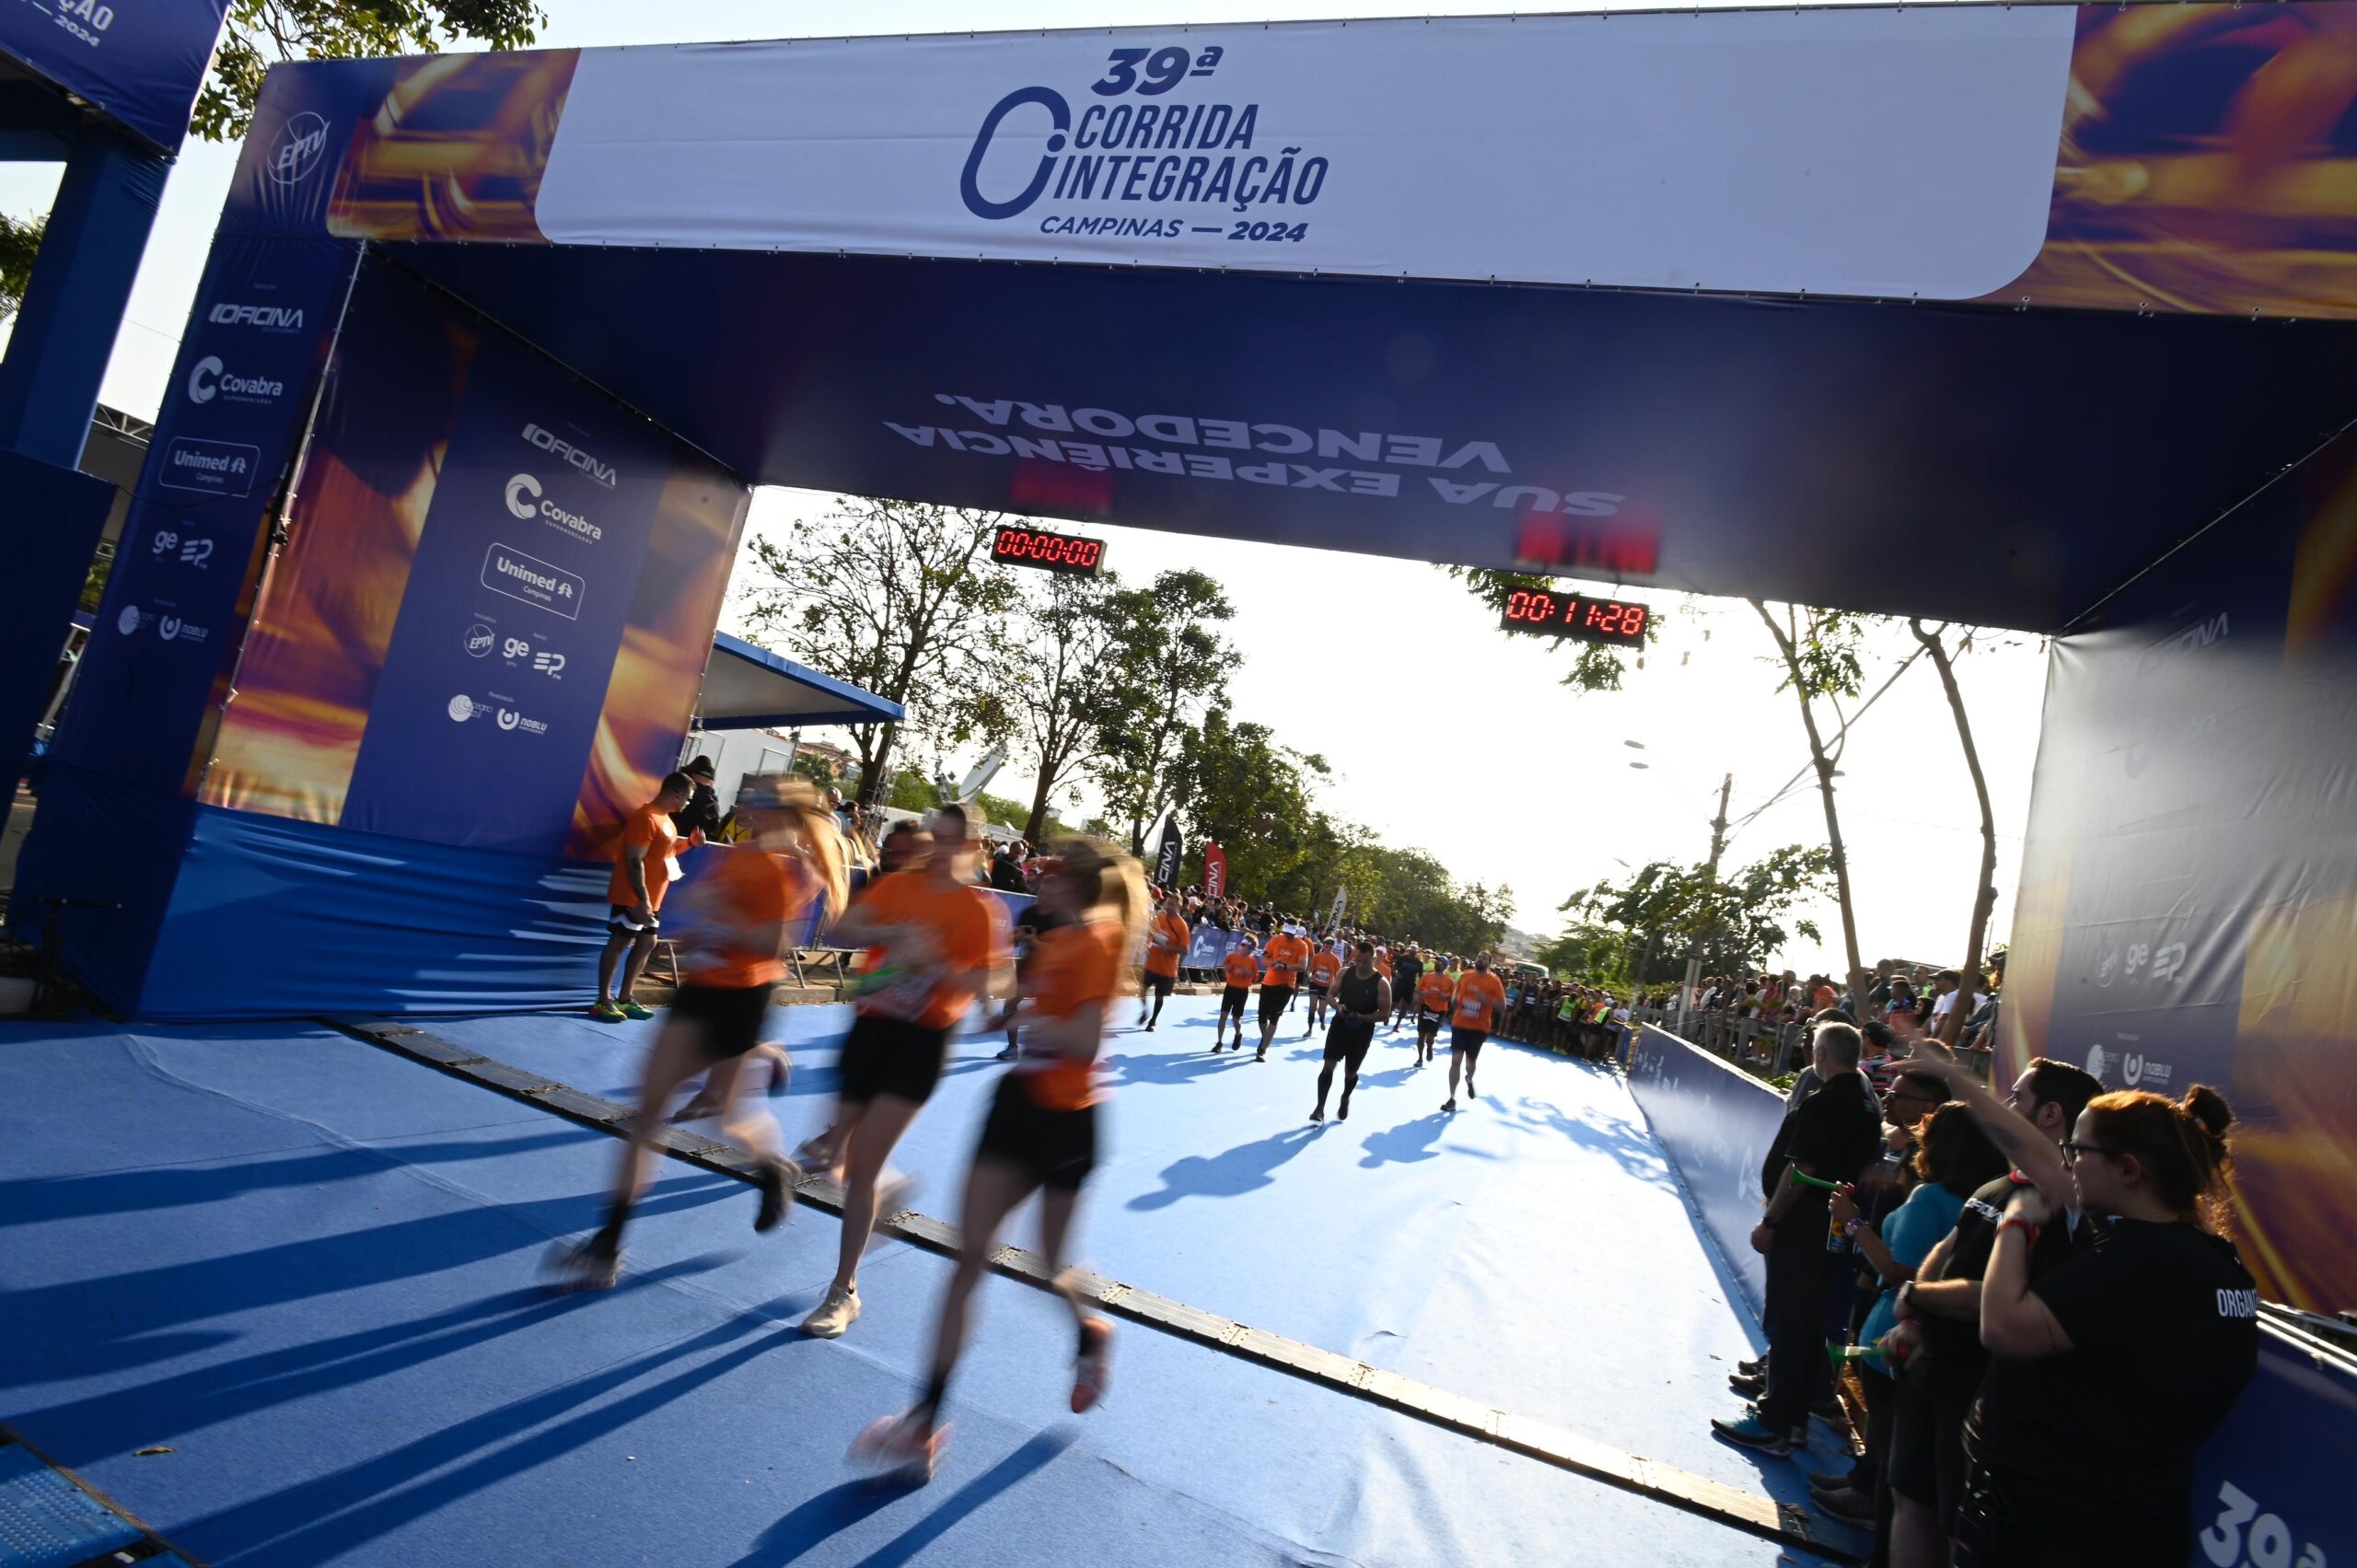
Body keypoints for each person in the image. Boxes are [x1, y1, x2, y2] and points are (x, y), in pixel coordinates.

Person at [851, 840, 1143, 1482]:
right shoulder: (1053, 941)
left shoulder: (1102, 941)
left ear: (1080, 886)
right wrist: (946, 975)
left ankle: (1090, 1329)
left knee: (1046, 1263)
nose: (1043, 881)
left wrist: (1034, 1014)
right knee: (967, 1262)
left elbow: (1083, 1039)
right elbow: (998, 1020)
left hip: (1067, 1119)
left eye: (1056, 875)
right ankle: (923, 1423)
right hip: (1014, 1106)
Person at [550, 777, 846, 1288]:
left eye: (759, 800)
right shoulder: (741, 855)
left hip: (742, 999)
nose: (747, 805)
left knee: (729, 1118)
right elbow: (715, 919)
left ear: (781, 813)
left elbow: (772, 945)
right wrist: (702, 931)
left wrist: (723, 916)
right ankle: (606, 1248)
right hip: (702, 989)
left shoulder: (786, 872)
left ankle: (773, 1165)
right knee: (648, 1114)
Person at [1947, 1085, 2258, 1566]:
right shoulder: (2212, 1258)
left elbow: (2004, 1326)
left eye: (2077, 1151)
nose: (2066, 1165)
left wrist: (2015, 1224)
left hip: (2062, 1523)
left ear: (2129, 1169)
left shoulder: (2140, 1263)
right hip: (2121, 1519)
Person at [798, 804, 1012, 1340]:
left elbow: (997, 984)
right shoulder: (901, 886)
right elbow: (843, 926)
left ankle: (842, 1291)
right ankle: (884, 1192)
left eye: (951, 839)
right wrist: (896, 934)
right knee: (835, 1155)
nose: (939, 847)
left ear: (972, 846)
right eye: (934, 836)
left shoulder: (979, 910)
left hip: (922, 1040)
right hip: (871, 1027)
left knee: (863, 1163)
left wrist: (938, 962)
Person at [1880, 1053, 2101, 1565]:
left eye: (2016, 1097)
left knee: (1956, 1527)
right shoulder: (2001, 1183)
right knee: (1908, 1501)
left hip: (1980, 1393)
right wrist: (1912, 1321)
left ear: (2049, 1114)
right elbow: (1951, 1246)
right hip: (1927, 1368)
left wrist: (1916, 1297)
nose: (2004, 1106)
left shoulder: (2064, 1205)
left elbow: (1998, 1297)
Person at [1713, 1021, 1885, 1456]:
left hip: (1805, 1227)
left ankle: (1774, 1421)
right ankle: (1791, 1419)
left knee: (1791, 1321)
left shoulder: (1827, 1101)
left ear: (1822, 1054)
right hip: (1832, 1228)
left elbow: (1802, 1170)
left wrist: (1770, 1222)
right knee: (1807, 1323)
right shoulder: (1867, 1104)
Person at [592, 772, 700, 1022]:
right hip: (633, 895)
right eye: (689, 798)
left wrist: (691, 844)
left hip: (654, 898)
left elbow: (666, 854)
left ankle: (625, 998)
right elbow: (634, 860)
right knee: (620, 942)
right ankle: (602, 1000)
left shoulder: (668, 822)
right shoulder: (645, 817)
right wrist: (641, 899)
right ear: (677, 794)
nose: (688, 803)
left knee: (647, 943)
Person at [1306, 937, 1390, 1123]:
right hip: (1340, 1024)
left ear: (1373, 959)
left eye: (1365, 962)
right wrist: (1338, 1007)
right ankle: (1319, 1108)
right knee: (1328, 1067)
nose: (1360, 964)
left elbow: (1385, 1014)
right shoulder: (1345, 972)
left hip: (1362, 1031)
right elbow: (1330, 994)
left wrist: (1362, 1018)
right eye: (1357, 960)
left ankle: (1345, 1097)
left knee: (1350, 1072)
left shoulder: (1381, 983)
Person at [1442, 953, 1505, 1111]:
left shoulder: (1494, 981)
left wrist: (1485, 999)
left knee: (1470, 1063)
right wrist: (1454, 1001)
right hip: (1460, 1023)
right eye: (1478, 957)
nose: (1480, 959)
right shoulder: (1465, 976)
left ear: (1489, 963)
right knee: (1456, 1060)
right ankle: (1452, 1098)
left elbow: (1502, 1007)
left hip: (1479, 1028)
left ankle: (1469, 1078)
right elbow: (1456, 995)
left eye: (1484, 958)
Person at [1253, 922, 1311, 1062]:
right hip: (1269, 982)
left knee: (1274, 1017)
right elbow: (1264, 959)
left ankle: (1262, 1050)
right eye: (1287, 932)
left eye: (1291, 933)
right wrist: (1274, 962)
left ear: (1296, 932)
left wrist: (1285, 966)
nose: (1288, 936)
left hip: (1286, 986)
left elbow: (1303, 966)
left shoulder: (1302, 945)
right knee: (1262, 1017)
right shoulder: (1275, 940)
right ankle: (1265, 1038)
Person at [1134, 892, 1190, 1031]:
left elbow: (1185, 949)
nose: (1169, 907)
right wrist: (1147, 945)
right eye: (1168, 903)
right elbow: (1150, 935)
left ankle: (1153, 1021)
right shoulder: (1159, 918)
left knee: (1159, 996)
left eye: (1173, 904)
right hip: (1152, 963)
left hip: (1167, 968)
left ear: (1179, 907)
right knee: (1142, 989)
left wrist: (1169, 948)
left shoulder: (1182, 926)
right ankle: (1144, 1010)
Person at [1212, 933, 1260, 1052]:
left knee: (1236, 1019)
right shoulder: (1233, 956)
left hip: (1242, 991)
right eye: (1251, 947)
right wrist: (1231, 970)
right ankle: (1219, 1042)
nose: (1252, 950)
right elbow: (1225, 968)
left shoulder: (1252, 961)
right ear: (1244, 946)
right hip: (1230, 988)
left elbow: (1255, 977)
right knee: (1223, 1016)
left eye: (1254, 948)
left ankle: (1238, 1034)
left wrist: (1247, 972)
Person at [673, 755, 725, 842]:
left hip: (674, 838)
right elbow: (713, 828)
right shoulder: (714, 804)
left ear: (693, 775)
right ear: (712, 781)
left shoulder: (684, 794)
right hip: (698, 845)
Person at [1415, 958, 1454, 1067]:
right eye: (1437, 962)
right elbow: (1417, 989)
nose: (1438, 964)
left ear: (1445, 966)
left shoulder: (1449, 981)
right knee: (1421, 1035)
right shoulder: (1428, 976)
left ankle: (1430, 1047)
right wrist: (1423, 993)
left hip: (1439, 1010)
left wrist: (1446, 997)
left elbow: (1454, 997)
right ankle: (1420, 1058)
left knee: (1430, 1037)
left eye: (1441, 963)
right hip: (1426, 1007)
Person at [1305, 936, 1344, 1037]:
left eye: (1331, 945)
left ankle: (1322, 1020)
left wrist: (1337, 987)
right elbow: (1310, 969)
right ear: (1324, 945)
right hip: (1315, 983)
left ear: (1333, 947)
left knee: (1321, 1010)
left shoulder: (1335, 959)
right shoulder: (1317, 957)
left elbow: (1339, 975)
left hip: (1327, 987)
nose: (1328, 947)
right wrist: (1309, 975)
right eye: (1327, 945)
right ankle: (1309, 1029)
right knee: (1312, 1007)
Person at [1389, 944, 1424, 1031]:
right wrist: (1397, 974)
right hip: (1400, 984)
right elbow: (1393, 968)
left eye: (1414, 951)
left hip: (1410, 986)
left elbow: (1421, 977)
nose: (1412, 952)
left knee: (1405, 1006)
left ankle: (1397, 1025)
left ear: (1416, 952)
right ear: (1409, 950)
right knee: (1394, 1003)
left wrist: (1418, 986)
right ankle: (1388, 1014)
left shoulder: (1419, 963)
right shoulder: (1402, 958)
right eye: (1411, 950)